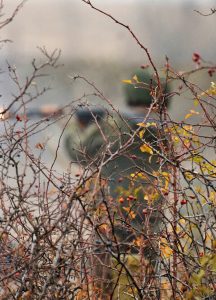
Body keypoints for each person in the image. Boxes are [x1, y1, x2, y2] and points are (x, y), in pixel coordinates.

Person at [65, 68, 171, 297]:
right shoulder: (167, 133)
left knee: (105, 291)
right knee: (143, 290)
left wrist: (76, 126)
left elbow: (78, 152)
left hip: (111, 228)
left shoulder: (115, 126)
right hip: (149, 229)